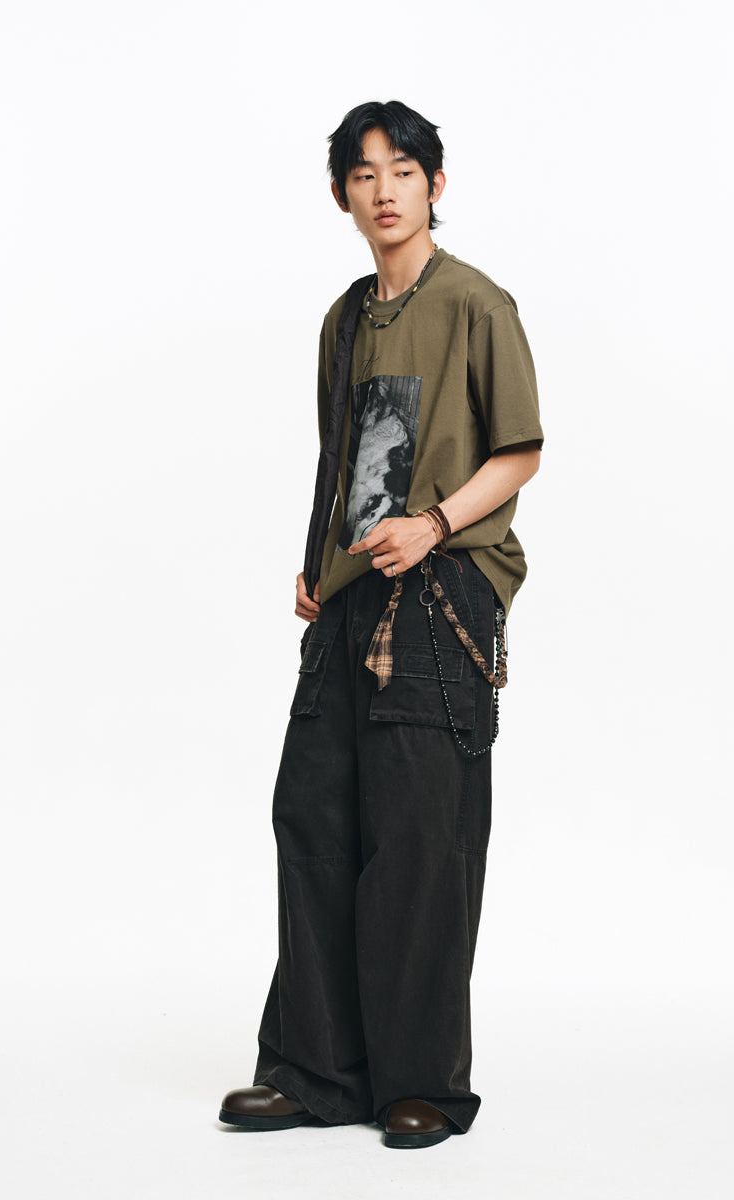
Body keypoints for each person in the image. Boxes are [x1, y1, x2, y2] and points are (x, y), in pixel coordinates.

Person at [218, 99, 543, 1149]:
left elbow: (522, 450)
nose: (385, 190)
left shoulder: (476, 302)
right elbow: (345, 453)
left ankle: (423, 1085)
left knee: (419, 841)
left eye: (403, 170)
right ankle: (318, 1072)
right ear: (341, 196)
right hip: (351, 599)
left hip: (442, 596)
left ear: (434, 186)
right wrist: (322, 562)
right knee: (312, 820)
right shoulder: (346, 317)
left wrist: (434, 524)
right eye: (365, 175)